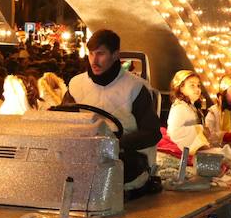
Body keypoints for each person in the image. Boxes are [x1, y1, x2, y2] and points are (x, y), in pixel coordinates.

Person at [63, 30, 161, 195]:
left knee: (106, 172)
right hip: (85, 152)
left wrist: (115, 143)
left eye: (100, 54)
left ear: (115, 55)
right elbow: (63, 121)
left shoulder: (135, 88)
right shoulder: (76, 85)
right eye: (91, 54)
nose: (94, 60)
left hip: (127, 156)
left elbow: (151, 133)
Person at [158, 69, 211, 159]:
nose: (197, 89)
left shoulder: (190, 107)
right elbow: (175, 133)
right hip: (179, 150)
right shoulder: (179, 107)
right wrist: (199, 129)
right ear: (181, 88)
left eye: (198, 86)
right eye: (192, 85)